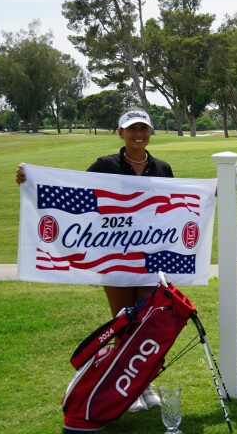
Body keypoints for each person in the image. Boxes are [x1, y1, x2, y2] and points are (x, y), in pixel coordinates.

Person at [16, 107, 173, 412]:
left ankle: (144, 385)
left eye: (144, 129)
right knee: (125, 323)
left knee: (147, 326)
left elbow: (174, 207)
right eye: (132, 129)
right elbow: (73, 190)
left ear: (151, 132)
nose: (138, 134)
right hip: (114, 257)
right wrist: (30, 179)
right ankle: (122, 389)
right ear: (121, 133)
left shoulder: (162, 168)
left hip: (149, 259)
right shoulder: (106, 165)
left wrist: (209, 195)